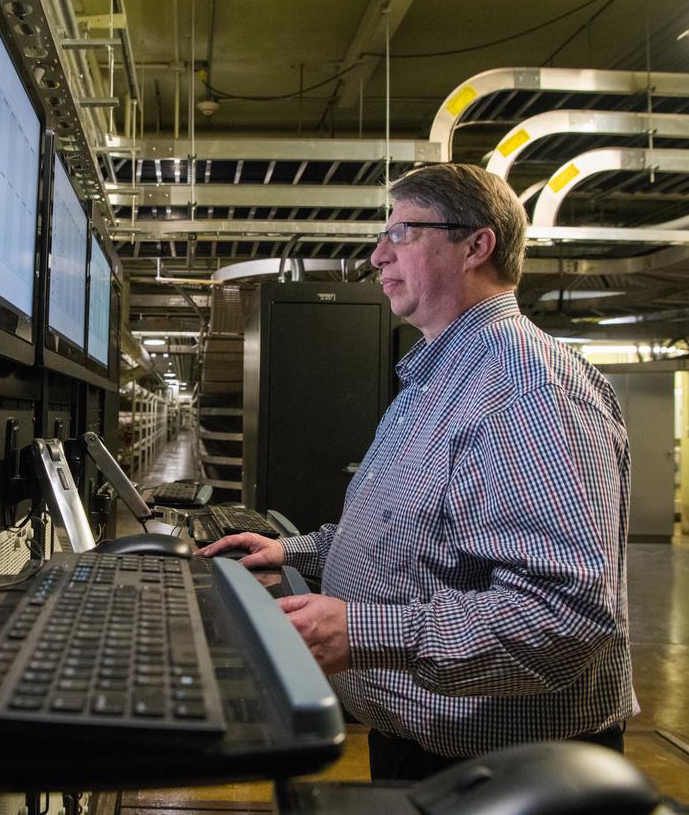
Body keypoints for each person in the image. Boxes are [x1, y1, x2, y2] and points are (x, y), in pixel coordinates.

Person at [198, 163, 637, 781]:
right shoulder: (434, 381)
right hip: (428, 740)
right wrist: (292, 549)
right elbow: (404, 530)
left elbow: (565, 615)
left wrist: (362, 631)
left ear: (475, 245)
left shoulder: (528, 389)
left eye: (401, 233)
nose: (377, 256)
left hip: (502, 766)